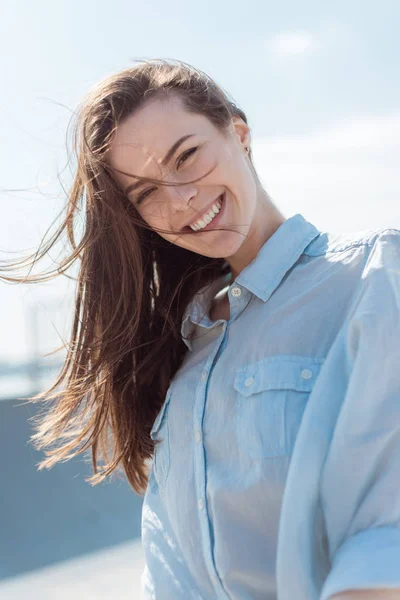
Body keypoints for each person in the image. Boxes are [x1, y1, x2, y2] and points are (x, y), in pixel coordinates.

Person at [2, 59, 400, 600]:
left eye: (186, 156)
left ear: (238, 133)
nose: (180, 199)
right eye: (146, 193)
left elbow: (383, 542)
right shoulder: (184, 346)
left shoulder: (372, 276)